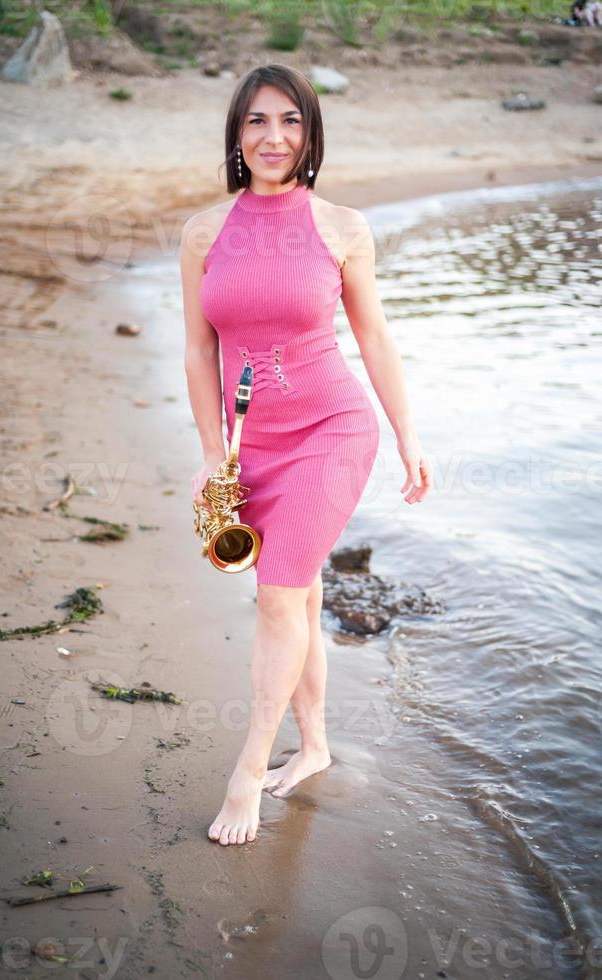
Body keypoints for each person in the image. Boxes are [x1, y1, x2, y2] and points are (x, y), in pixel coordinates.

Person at [179, 63, 433, 847]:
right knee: (300, 595)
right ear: (237, 134)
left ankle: (247, 771)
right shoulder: (203, 233)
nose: (273, 137)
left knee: (279, 598)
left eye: (290, 121)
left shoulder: (342, 227)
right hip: (252, 448)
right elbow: (198, 354)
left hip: (331, 430)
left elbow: (375, 338)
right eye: (257, 121)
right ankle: (314, 745)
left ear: (311, 132)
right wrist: (214, 456)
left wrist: (407, 434)